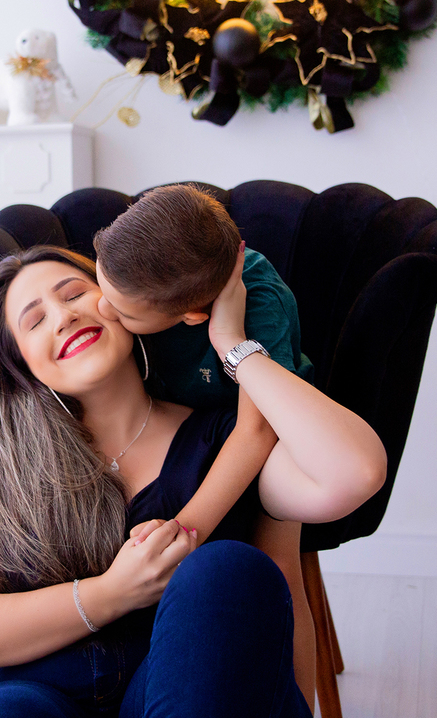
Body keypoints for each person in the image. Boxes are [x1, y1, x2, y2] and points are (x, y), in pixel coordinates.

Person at [0, 246, 385, 718]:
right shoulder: (2, 462)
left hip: (194, 693)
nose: (63, 317)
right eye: (35, 321)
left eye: (75, 293)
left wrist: (234, 346)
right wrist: (111, 593)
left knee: (226, 571)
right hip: (43, 697)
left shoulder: (230, 438)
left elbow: (355, 473)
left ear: (121, 304)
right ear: (20, 364)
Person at [93, 184, 318, 698]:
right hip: (181, 428)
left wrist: (186, 529)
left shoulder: (260, 302)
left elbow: (257, 431)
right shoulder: (137, 273)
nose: (103, 309)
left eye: (124, 313)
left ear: (194, 315)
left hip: (267, 435)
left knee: (278, 568)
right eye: (101, 283)